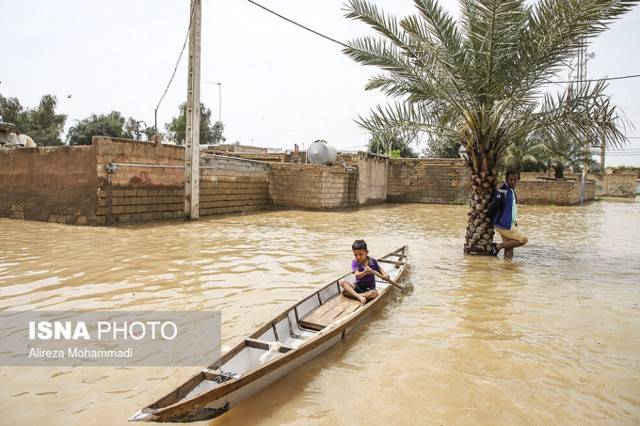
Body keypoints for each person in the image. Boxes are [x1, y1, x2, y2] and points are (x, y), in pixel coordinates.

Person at [489, 171, 528, 258]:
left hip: (510, 223)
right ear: (506, 179)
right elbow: (493, 208)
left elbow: (512, 208)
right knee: (523, 239)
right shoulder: (502, 191)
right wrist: (494, 221)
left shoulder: (511, 191)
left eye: (515, 180)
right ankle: (497, 246)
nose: (513, 182)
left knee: (509, 247)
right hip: (503, 225)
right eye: (510, 180)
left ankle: (507, 268)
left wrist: (514, 221)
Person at [340, 239, 390, 304]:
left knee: (374, 293)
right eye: (355, 255)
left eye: (361, 254)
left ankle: (356, 295)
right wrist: (365, 272)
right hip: (358, 287)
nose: (358, 257)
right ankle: (359, 296)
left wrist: (385, 275)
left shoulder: (372, 261)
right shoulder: (355, 263)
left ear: (367, 252)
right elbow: (357, 276)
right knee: (342, 282)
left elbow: (379, 269)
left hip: (369, 288)